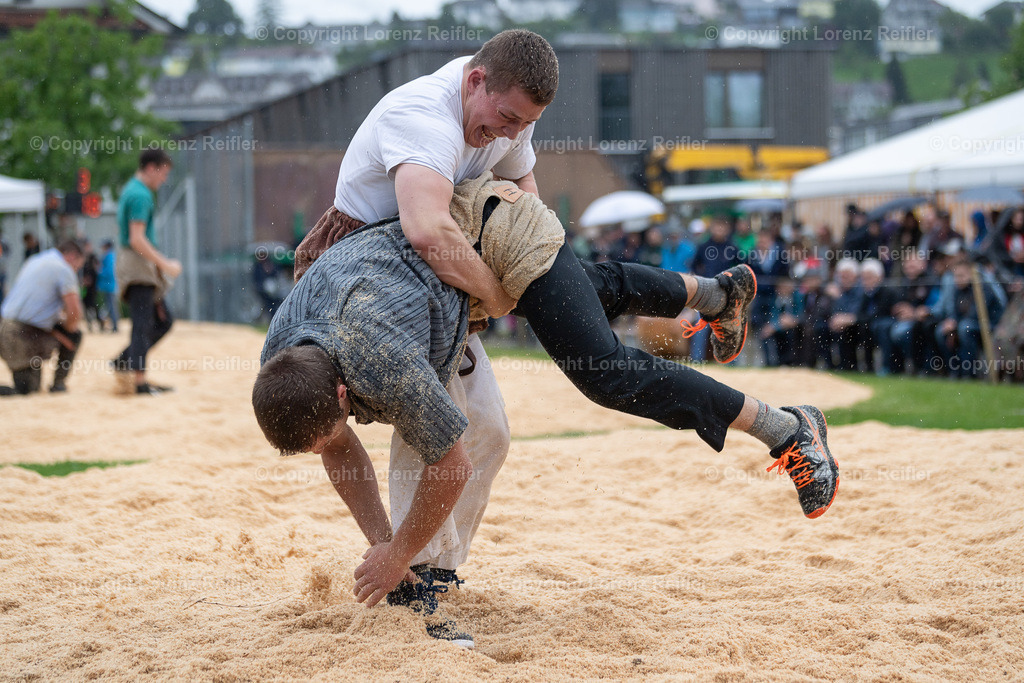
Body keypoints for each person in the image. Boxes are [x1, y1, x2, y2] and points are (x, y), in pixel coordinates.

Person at [253, 175, 840, 647]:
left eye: (335, 422)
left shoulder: (382, 361)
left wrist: (396, 554)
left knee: (602, 371)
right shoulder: (284, 356)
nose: (334, 439)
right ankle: (716, 294)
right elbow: (335, 443)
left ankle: (784, 427)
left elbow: (449, 464)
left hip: (489, 238)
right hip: (440, 281)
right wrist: (384, 544)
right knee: (555, 339)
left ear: (337, 391)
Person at [111, 148, 180, 395]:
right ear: (151, 168)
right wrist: (166, 264)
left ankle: (124, 361)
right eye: (163, 174)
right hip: (137, 265)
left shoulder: (132, 189)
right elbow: (137, 239)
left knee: (162, 320)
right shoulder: (141, 195)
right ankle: (139, 383)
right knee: (143, 322)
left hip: (136, 264)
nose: (163, 180)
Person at [0, 240, 84, 395]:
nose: (76, 269)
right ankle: (58, 384)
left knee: (30, 385)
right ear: (72, 256)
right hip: (22, 333)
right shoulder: (63, 269)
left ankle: (44, 382)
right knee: (75, 335)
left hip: (5, 327)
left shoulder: (35, 260)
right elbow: (74, 313)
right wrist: (65, 333)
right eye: (78, 266)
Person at [97, 240, 119, 332]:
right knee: (110, 306)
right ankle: (114, 326)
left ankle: (115, 326)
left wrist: (99, 271)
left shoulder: (109, 256)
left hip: (109, 285)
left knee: (111, 307)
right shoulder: (110, 256)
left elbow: (109, 272)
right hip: (109, 285)